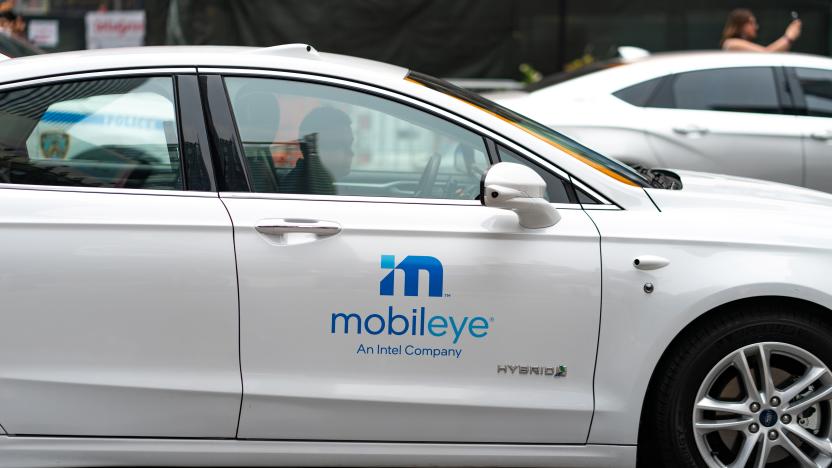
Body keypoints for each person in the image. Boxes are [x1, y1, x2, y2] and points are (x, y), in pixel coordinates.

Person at [280, 106, 354, 196]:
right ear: (312, 150)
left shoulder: (321, 181)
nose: (351, 153)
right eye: (339, 146)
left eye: (349, 145)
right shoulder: (306, 190)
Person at [721, 8, 801, 52]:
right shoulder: (731, 44)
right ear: (741, 25)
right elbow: (766, 54)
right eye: (751, 23)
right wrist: (789, 37)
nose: (756, 27)